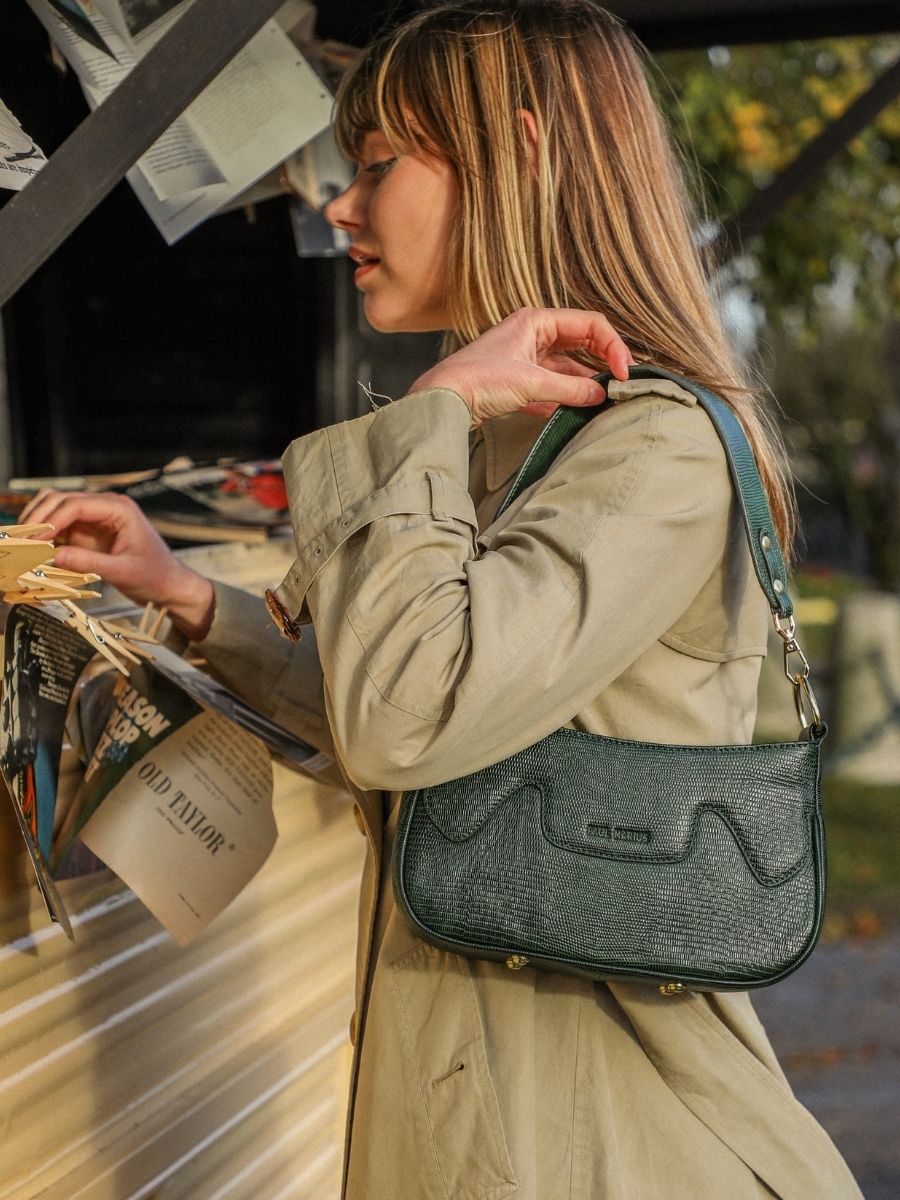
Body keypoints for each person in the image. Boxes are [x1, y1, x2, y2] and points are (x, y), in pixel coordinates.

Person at [22, 3, 863, 1197]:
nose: (339, 204)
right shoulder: (516, 447)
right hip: (496, 1121)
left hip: (612, 1147)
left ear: (520, 157)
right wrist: (193, 596)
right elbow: (448, 739)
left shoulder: (654, 454)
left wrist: (434, 406)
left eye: (375, 166)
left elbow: (407, 717)